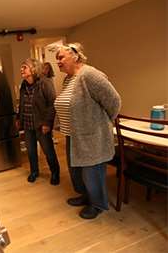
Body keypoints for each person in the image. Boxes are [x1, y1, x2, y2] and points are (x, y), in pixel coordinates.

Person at [54, 43, 121, 219]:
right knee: (77, 172)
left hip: (92, 137)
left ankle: (97, 204)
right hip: (73, 136)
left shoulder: (90, 75)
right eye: (57, 59)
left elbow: (114, 102)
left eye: (61, 57)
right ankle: (86, 196)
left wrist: (101, 124)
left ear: (75, 56)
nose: (58, 62)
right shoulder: (68, 78)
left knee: (92, 175)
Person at [17, 58, 60, 185]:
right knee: (31, 150)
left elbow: (52, 104)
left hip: (42, 125)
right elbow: (22, 103)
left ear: (33, 68)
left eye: (24, 67)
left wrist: (48, 123)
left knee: (48, 150)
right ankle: (34, 171)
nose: (21, 69)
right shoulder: (24, 84)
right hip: (28, 123)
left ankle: (55, 173)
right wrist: (18, 118)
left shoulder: (44, 83)